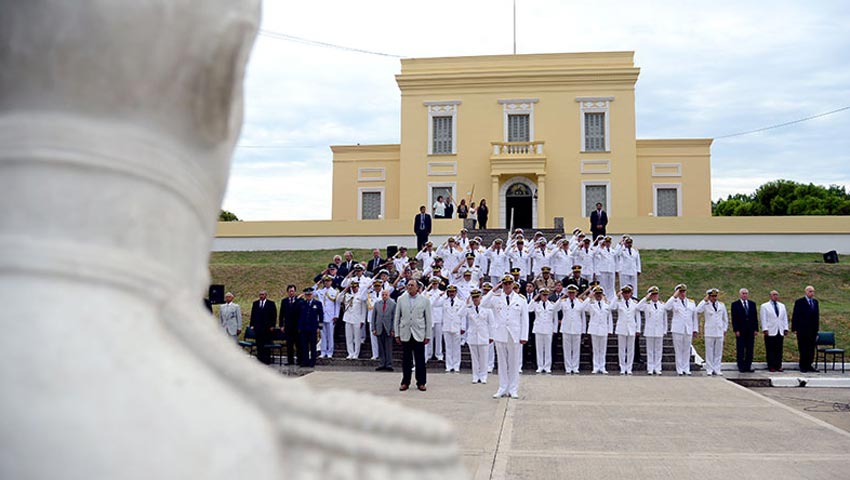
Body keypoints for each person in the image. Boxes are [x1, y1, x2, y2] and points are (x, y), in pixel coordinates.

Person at [482, 275, 529, 399]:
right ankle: (502, 387)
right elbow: (482, 303)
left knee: (514, 363)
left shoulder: (521, 299)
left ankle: (513, 389)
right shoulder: (496, 298)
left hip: (514, 334)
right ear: (502, 284)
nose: (507, 285)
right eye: (505, 283)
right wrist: (493, 290)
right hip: (500, 334)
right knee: (502, 363)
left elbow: (525, 320)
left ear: (513, 284)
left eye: (509, 283)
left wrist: (524, 336)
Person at [394, 281, 432, 391]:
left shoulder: (424, 300)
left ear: (417, 288)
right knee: (406, 360)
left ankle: (421, 382)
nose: (409, 287)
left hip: (419, 333)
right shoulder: (401, 299)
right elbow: (397, 317)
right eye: (408, 285)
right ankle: (405, 382)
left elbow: (428, 319)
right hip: (405, 332)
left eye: (412, 285)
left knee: (420, 359)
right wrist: (397, 333)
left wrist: (428, 335)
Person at [666, 284, 698, 375]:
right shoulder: (674, 301)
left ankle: (686, 368)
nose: (682, 293)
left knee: (687, 349)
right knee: (679, 349)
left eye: (684, 291)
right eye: (680, 292)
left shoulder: (691, 302)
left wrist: (695, 329)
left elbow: (694, 317)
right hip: (677, 329)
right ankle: (679, 368)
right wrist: (674, 296)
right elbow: (666, 307)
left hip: (688, 328)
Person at [696, 288, 728, 376]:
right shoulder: (705, 304)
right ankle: (709, 369)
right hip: (709, 331)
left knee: (718, 351)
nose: (714, 298)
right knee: (709, 351)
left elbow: (725, 319)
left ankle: (717, 368)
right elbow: (697, 310)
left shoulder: (722, 305)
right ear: (709, 296)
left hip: (719, 331)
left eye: (715, 296)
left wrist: (724, 329)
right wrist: (704, 300)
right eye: (712, 296)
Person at [464, 289, 494, 384]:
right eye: (474, 297)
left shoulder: (487, 309)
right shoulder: (469, 309)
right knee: (475, 358)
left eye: (477, 297)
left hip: (484, 335)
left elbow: (491, 324)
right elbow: (459, 314)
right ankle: (475, 376)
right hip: (473, 336)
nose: (475, 299)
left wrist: (491, 336)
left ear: (481, 297)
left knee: (484, 357)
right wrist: (466, 303)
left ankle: (483, 376)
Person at [637, 286, 667, 375]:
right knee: (650, 350)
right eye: (653, 294)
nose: (655, 296)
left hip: (659, 330)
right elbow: (638, 307)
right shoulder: (646, 305)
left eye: (656, 294)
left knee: (658, 350)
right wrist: (646, 297)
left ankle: (658, 368)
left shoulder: (662, 305)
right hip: (649, 330)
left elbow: (665, 318)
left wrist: (665, 330)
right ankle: (650, 368)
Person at [610, 285, 640, 375]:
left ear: (631, 293)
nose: (626, 295)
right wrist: (616, 296)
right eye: (624, 293)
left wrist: (638, 329)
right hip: (622, 328)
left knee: (631, 349)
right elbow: (611, 307)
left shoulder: (635, 303)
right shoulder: (619, 302)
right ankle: (622, 367)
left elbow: (637, 317)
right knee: (622, 349)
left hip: (631, 328)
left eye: (628, 293)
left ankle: (629, 367)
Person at [557, 284, 587, 374]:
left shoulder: (580, 302)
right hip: (566, 328)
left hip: (577, 328)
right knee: (566, 349)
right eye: (570, 293)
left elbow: (583, 317)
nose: (571, 295)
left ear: (576, 293)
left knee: (576, 349)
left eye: (573, 293)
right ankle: (568, 367)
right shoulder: (563, 302)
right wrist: (561, 298)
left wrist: (583, 330)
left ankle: (575, 367)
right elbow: (554, 309)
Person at [730, 288, 759, 373]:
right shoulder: (735, 304)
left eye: (746, 293)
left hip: (750, 330)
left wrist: (756, 329)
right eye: (743, 293)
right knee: (740, 349)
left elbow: (754, 317)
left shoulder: (752, 304)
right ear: (740, 294)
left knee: (750, 349)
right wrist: (736, 330)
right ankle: (741, 366)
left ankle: (748, 366)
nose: (745, 295)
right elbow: (734, 318)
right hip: (740, 330)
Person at [792, 286, 820, 373]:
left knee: (811, 348)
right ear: (806, 292)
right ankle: (803, 365)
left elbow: (817, 316)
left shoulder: (815, 302)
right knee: (803, 348)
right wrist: (795, 328)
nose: (812, 293)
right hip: (802, 330)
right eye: (810, 291)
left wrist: (816, 329)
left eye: (813, 291)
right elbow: (795, 315)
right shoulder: (800, 302)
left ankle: (809, 365)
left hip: (812, 330)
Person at [586, 286, 613, 374]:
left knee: (603, 349)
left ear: (602, 294)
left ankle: (602, 366)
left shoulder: (607, 304)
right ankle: (596, 366)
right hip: (594, 329)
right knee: (596, 349)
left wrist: (610, 330)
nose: (598, 295)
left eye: (599, 294)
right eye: (596, 294)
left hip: (604, 329)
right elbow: (583, 307)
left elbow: (610, 318)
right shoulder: (591, 304)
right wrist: (590, 296)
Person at [530, 288, 558, 374]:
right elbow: (528, 308)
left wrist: (554, 330)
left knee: (548, 349)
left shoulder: (552, 305)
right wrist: (535, 298)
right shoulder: (536, 304)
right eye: (543, 295)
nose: (544, 297)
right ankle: (540, 366)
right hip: (538, 329)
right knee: (539, 348)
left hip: (548, 329)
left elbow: (555, 318)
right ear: (540, 295)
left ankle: (547, 366)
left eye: (546, 295)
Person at [760, 290, 789, 372]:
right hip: (770, 330)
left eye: (776, 295)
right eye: (773, 295)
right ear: (770, 296)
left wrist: (785, 328)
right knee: (770, 349)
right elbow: (763, 318)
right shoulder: (765, 306)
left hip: (780, 330)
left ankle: (778, 365)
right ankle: (771, 365)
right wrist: (765, 329)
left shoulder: (782, 306)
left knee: (779, 349)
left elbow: (784, 318)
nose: (775, 296)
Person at [441, 285, 466, 373]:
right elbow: (442, 315)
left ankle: (456, 365)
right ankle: (448, 365)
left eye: (453, 292)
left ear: (456, 292)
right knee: (448, 347)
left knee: (456, 347)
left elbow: (463, 316)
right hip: (447, 326)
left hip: (456, 326)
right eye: (450, 292)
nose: (451, 293)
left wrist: (463, 327)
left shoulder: (461, 302)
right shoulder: (444, 302)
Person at [314, 275, 339, 359]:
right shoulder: (320, 291)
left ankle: (330, 352)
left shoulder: (335, 292)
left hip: (331, 316)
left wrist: (336, 315)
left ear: (331, 282)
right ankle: (323, 351)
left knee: (330, 335)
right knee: (323, 335)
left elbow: (337, 305)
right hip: (321, 316)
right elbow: (312, 292)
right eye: (325, 281)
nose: (327, 283)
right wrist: (318, 283)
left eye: (328, 281)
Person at [297, 287, 323, 368]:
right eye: (307, 295)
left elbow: (321, 315)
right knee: (304, 346)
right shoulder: (301, 303)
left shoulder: (318, 303)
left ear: (312, 295)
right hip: (304, 328)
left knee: (312, 346)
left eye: (310, 294)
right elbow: (298, 315)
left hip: (313, 328)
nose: (308, 296)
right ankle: (305, 361)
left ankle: (312, 362)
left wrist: (319, 327)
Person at [249, 291, 277, 365]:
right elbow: (253, 315)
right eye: (260, 294)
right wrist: (252, 324)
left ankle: (267, 360)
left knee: (266, 345)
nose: (261, 296)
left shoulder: (271, 304)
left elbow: (274, 316)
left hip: (267, 329)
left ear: (266, 295)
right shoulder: (255, 303)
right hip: (258, 328)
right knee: (259, 345)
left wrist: (272, 326)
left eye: (263, 294)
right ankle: (260, 360)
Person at [372, 288, 396, 371]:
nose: (384, 296)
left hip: (388, 328)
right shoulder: (377, 304)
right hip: (379, 327)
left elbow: (394, 318)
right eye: (383, 295)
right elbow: (374, 317)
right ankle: (382, 363)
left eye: (386, 295)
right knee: (381, 347)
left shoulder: (393, 304)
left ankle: (389, 364)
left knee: (388, 347)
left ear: (389, 295)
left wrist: (393, 329)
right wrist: (373, 329)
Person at [341, 281, 366, 359]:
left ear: (358, 287)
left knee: (357, 337)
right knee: (348, 337)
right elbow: (338, 299)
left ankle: (356, 353)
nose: (354, 289)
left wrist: (362, 320)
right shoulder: (347, 295)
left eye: (355, 287)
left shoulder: (361, 296)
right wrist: (346, 289)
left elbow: (364, 309)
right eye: (352, 287)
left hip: (357, 319)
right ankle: (350, 353)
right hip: (348, 318)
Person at [279, 285, 301, 366]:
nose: (291, 293)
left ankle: (299, 360)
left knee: (298, 345)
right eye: (290, 291)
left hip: (297, 327)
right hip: (288, 327)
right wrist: (281, 325)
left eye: (293, 291)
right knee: (289, 345)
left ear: (295, 292)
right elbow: (281, 314)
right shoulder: (284, 301)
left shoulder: (299, 301)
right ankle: (290, 361)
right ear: (287, 292)